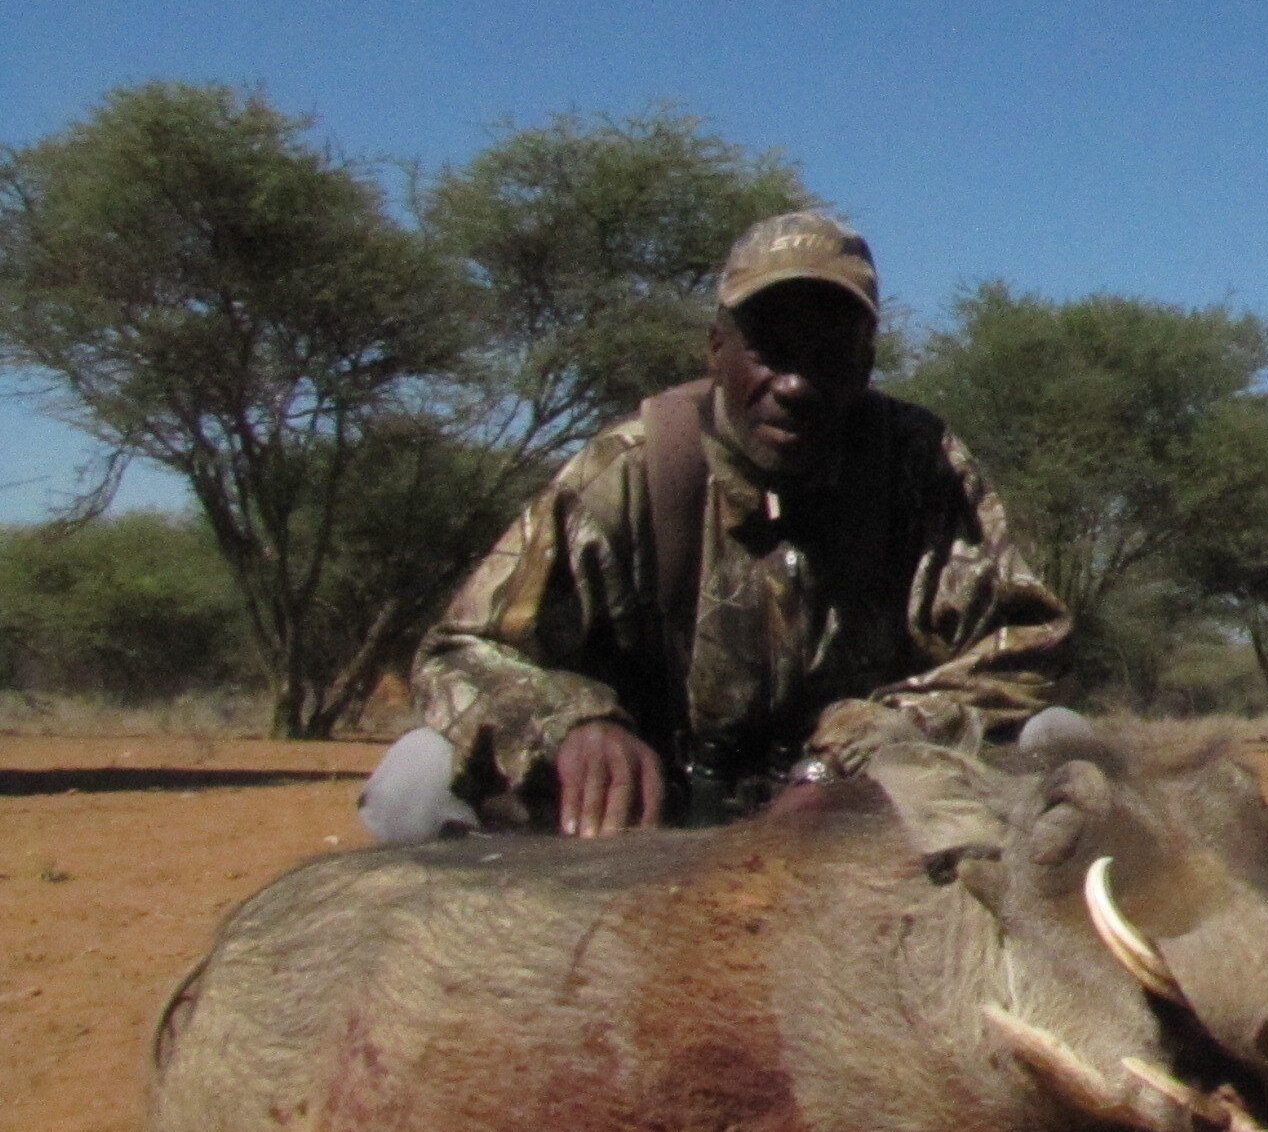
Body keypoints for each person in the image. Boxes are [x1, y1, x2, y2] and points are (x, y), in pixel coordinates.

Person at [360, 212, 1071, 841]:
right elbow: (458, 651)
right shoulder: (632, 469)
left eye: (829, 355)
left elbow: (1028, 649)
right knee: (416, 784)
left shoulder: (921, 466)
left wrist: (854, 756)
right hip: (643, 813)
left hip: (862, 810)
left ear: (868, 360)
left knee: (1060, 744)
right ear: (716, 349)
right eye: (770, 350)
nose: (796, 385)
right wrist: (573, 724)